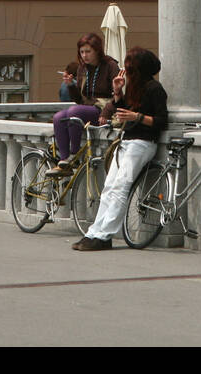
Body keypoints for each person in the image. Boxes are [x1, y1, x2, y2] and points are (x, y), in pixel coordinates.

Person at [72, 46, 169, 251]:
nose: (127, 71)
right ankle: (95, 231)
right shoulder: (135, 87)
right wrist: (117, 94)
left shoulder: (155, 89)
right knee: (109, 187)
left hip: (142, 143)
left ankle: (105, 234)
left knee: (120, 187)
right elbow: (125, 108)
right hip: (127, 140)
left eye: (130, 67)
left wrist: (137, 117)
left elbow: (162, 121)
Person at [50, 34, 119, 173]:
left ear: (97, 51)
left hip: (103, 109)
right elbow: (80, 100)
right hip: (87, 108)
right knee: (58, 117)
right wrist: (70, 85)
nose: (85, 55)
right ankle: (64, 160)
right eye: (82, 52)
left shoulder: (110, 65)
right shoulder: (82, 69)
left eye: (88, 51)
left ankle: (74, 154)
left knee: (73, 112)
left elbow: (118, 95)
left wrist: (106, 111)